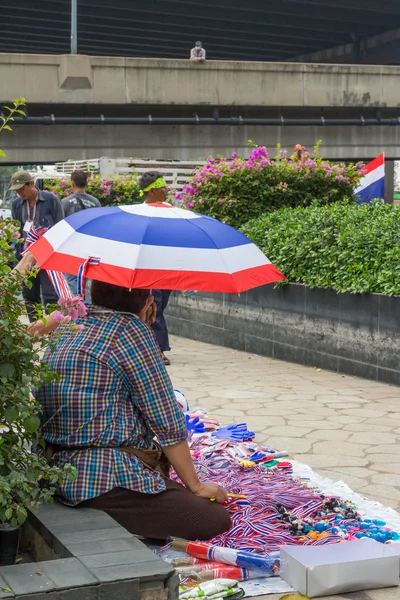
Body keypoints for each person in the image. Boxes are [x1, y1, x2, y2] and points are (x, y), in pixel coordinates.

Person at [35, 281, 231, 541]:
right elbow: (167, 422)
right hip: (98, 478)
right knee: (212, 518)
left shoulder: (71, 322)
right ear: (150, 303)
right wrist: (196, 486)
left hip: (50, 466)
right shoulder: (130, 330)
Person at [10, 171, 64, 322]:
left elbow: (61, 227)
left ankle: (53, 333)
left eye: (22, 189)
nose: (20, 193)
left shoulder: (51, 200)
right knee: (29, 296)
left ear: (31, 183)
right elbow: (18, 230)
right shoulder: (16, 205)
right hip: (25, 257)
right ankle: (35, 330)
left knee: (50, 296)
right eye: (17, 190)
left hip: (47, 258)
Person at [139, 171, 172, 365]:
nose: (166, 189)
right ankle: (157, 350)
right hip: (147, 266)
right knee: (153, 306)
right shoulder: (139, 213)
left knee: (160, 306)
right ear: (152, 190)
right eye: (162, 186)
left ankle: (153, 346)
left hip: (166, 266)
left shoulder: (170, 211)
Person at [61, 170, 101, 301]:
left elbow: (61, 226)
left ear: (72, 183)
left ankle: (81, 310)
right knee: (86, 280)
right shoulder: (95, 202)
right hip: (91, 248)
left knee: (72, 280)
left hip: (71, 248)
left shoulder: (65, 202)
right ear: (86, 183)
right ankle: (86, 307)